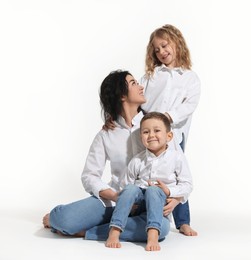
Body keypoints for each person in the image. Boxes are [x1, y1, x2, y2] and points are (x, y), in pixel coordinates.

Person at [43, 70, 177, 242]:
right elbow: (89, 175)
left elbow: (178, 166)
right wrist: (115, 196)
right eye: (134, 83)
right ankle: (62, 219)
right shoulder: (106, 134)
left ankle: (89, 232)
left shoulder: (155, 125)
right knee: (62, 220)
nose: (141, 86)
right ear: (122, 95)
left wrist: (176, 199)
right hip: (115, 201)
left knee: (163, 228)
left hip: (150, 203)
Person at [139, 24, 201, 236]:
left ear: (177, 43)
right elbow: (141, 100)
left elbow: (189, 105)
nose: (161, 52)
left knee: (177, 174)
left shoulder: (190, 78)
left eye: (164, 46)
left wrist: (168, 117)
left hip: (174, 134)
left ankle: (182, 221)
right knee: (146, 169)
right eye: (156, 50)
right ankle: (146, 213)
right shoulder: (151, 75)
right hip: (150, 132)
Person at [105, 112, 193, 251]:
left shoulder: (176, 158)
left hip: (160, 202)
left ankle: (153, 234)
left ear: (169, 136)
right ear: (141, 138)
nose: (151, 135)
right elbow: (124, 185)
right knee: (130, 188)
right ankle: (115, 230)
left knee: (153, 190)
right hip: (139, 203)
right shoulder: (137, 160)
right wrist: (128, 201)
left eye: (157, 131)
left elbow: (187, 184)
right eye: (146, 132)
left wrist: (170, 191)